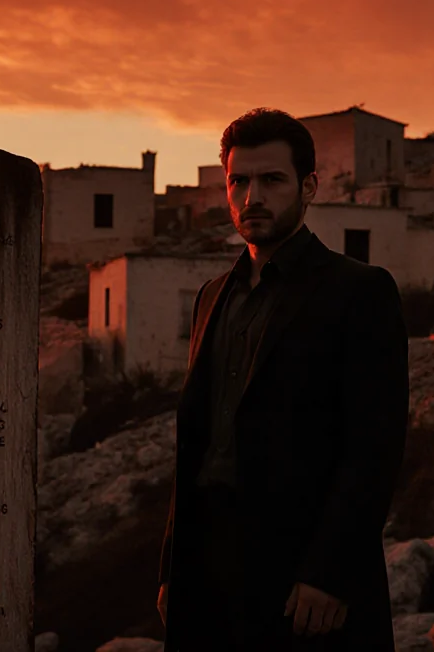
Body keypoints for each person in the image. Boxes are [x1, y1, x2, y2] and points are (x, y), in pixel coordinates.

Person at [155, 108, 410, 650]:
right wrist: (171, 567)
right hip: (208, 571)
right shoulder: (210, 298)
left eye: (271, 180)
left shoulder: (359, 291)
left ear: (309, 186)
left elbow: (374, 447)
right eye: (238, 181)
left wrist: (329, 573)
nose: (252, 198)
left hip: (303, 578)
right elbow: (198, 442)